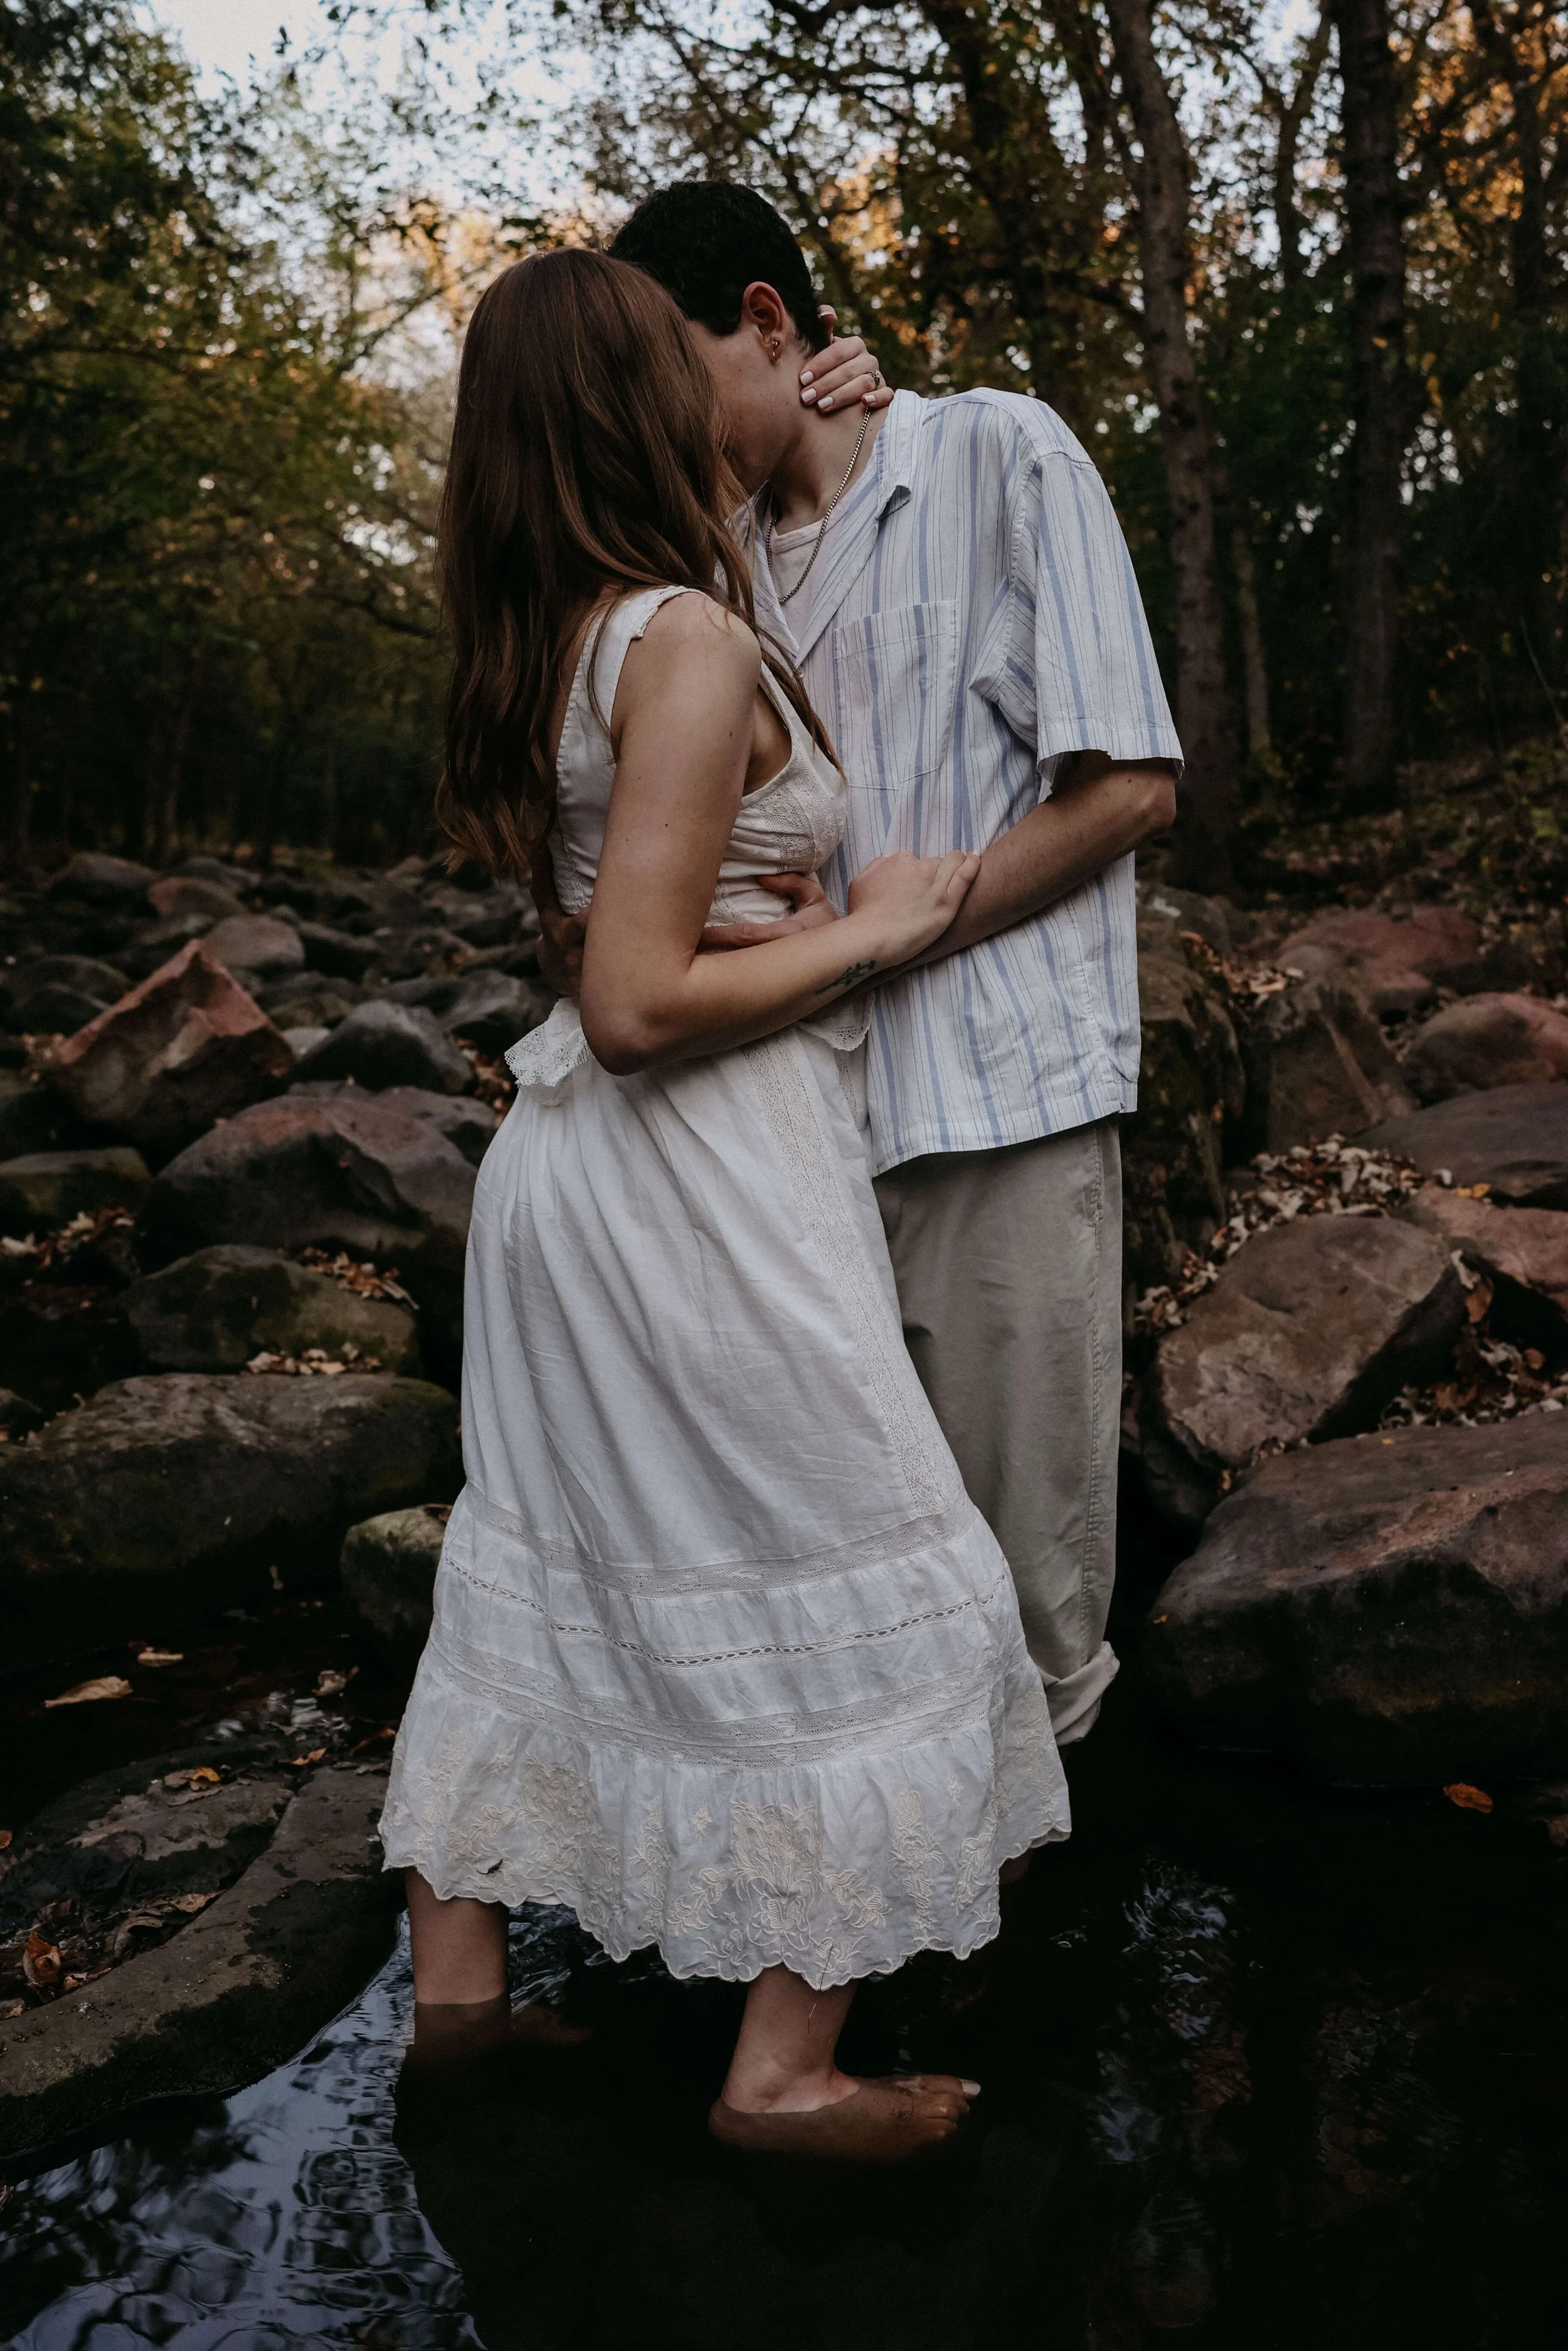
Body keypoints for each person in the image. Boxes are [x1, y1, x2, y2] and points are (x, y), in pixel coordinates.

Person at [379, 246, 1069, 2163]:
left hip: (571, 1183)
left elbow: (602, 934)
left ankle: (459, 2005)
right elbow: (632, 999)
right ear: (629, 398)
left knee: (544, 1574)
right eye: (666, 354)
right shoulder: (680, 638)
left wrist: (837, 421)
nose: (709, 378)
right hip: (693, 1184)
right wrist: (881, 925)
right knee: (901, 1590)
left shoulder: (553, 636)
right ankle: (777, 2071)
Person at [536, 183, 1182, 1755]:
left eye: (676, 377)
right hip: (775, 1146)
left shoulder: (996, 452)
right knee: (848, 1615)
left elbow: (1128, 788)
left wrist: (892, 931)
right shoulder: (704, 563)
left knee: (1026, 1609)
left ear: (768, 322)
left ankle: (1026, 1895)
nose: (661, 426)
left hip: (990, 1109)